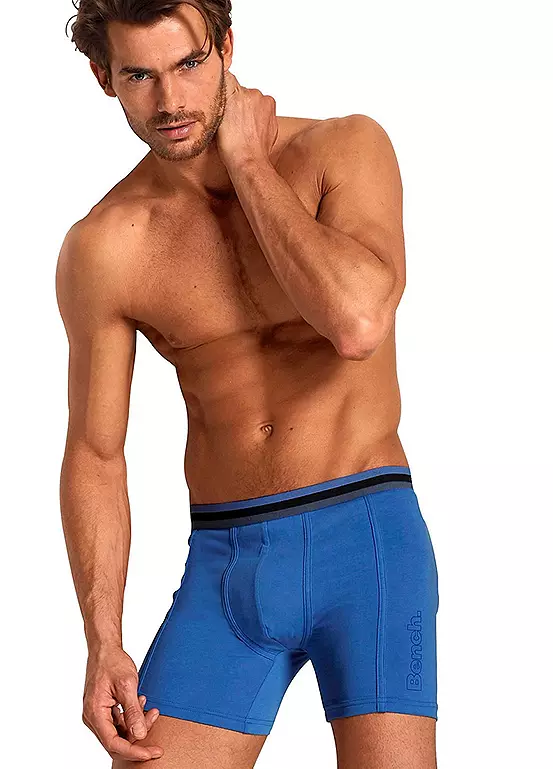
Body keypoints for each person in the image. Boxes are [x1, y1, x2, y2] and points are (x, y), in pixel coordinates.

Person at [56, 1, 440, 767]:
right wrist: (103, 639)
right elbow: (96, 454)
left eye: (189, 64)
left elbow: (357, 322)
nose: (170, 100)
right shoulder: (105, 244)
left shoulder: (342, 149)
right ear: (104, 78)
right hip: (226, 564)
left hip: (366, 546)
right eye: (139, 75)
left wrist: (251, 166)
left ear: (226, 46)